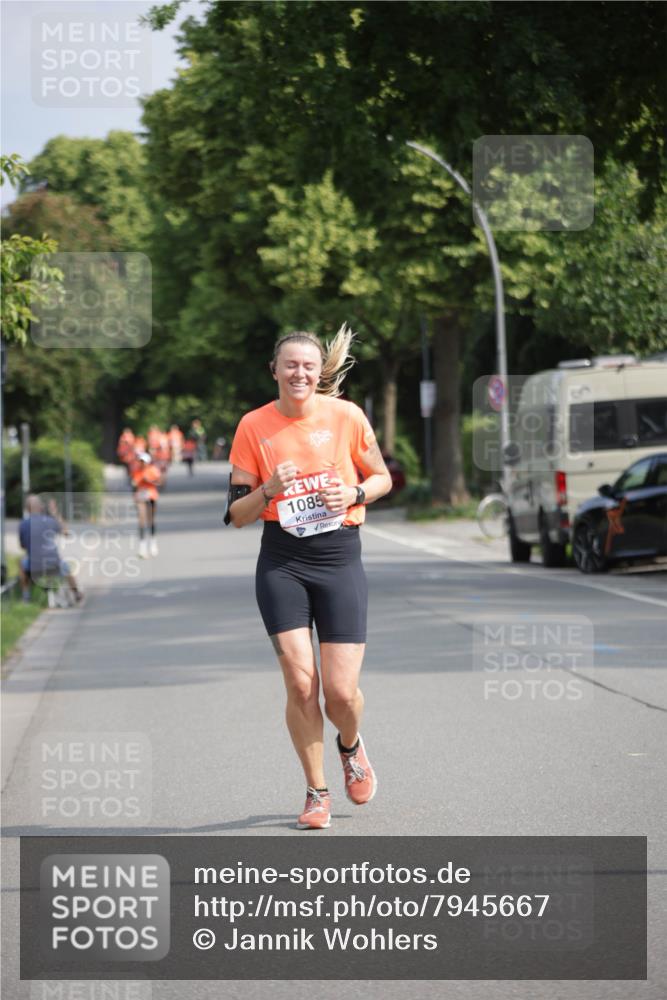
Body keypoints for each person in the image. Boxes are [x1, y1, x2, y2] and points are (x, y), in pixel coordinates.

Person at [225, 324, 392, 830]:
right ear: (274, 370)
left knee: (341, 694)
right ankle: (317, 790)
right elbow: (236, 514)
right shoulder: (253, 426)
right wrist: (269, 488)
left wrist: (356, 495)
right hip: (282, 562)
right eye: (290, 364)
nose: (299, 372)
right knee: (301, 684)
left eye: (308, 365)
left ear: (321, 373)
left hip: (339, 557)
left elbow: (381, 477)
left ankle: (350, 744)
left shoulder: (347, 416)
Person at [18, 495, 82, 603]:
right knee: (67, 568)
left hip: (34, 566)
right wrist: (55, 513)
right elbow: (66, 533)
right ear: (40, 507)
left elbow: (22, 546)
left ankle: (26, 596)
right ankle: (76, 593)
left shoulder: (23, 524)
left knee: (21, 564)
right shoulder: (50, 521)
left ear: (27, 509)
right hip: (54, 564)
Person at [131, 451, 162, 558]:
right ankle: (142, 547)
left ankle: (153, 543)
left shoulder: (153, 470)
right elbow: (134, 485)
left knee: (151, 520)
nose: (142, 463)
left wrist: (149, 480)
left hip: (151, 496)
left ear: (148, 462)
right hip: (140, 496)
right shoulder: (136, 471)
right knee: (141, 521)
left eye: (143, 461)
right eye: (140, 461)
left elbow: (160, 482)